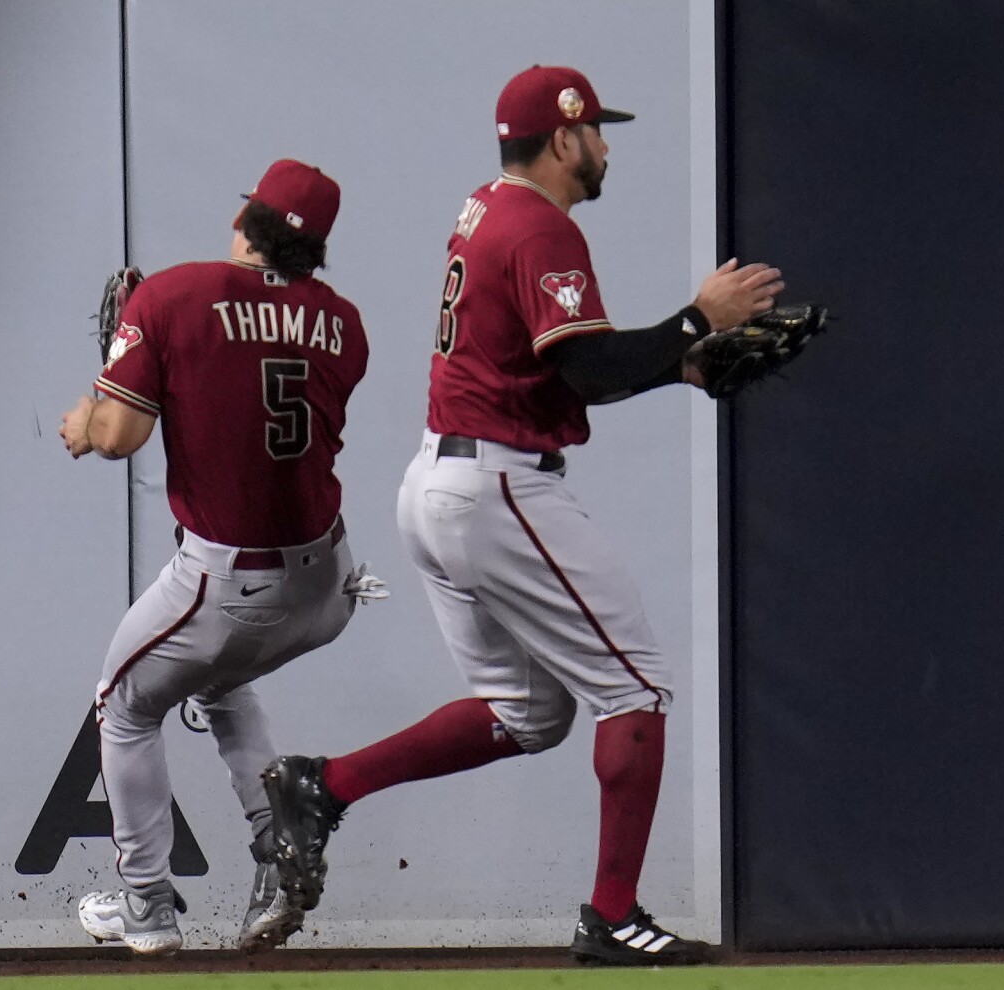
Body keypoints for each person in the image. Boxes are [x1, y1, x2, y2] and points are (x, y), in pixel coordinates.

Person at [261, 66, 784, 966]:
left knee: (531, 711)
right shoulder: (542, 227)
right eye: (598, 132)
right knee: (639, 689)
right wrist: (697, 320)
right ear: (564, 135)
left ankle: (324, 785)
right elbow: (586, 373)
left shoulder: (487, 207)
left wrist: (685, 366)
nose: (608, 147)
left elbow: (557, 366)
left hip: (442, 481)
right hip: (497, 485)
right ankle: (612, 918)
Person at [59, 159, 381, 956]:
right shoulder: (344, 322)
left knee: (124, 703)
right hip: (332, 581)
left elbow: (117, 437)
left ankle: (145, 905)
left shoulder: (172, 294)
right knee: (225, 681)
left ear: (247, 224)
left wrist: (98, 396)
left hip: (229, 579)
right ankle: (277, 854)